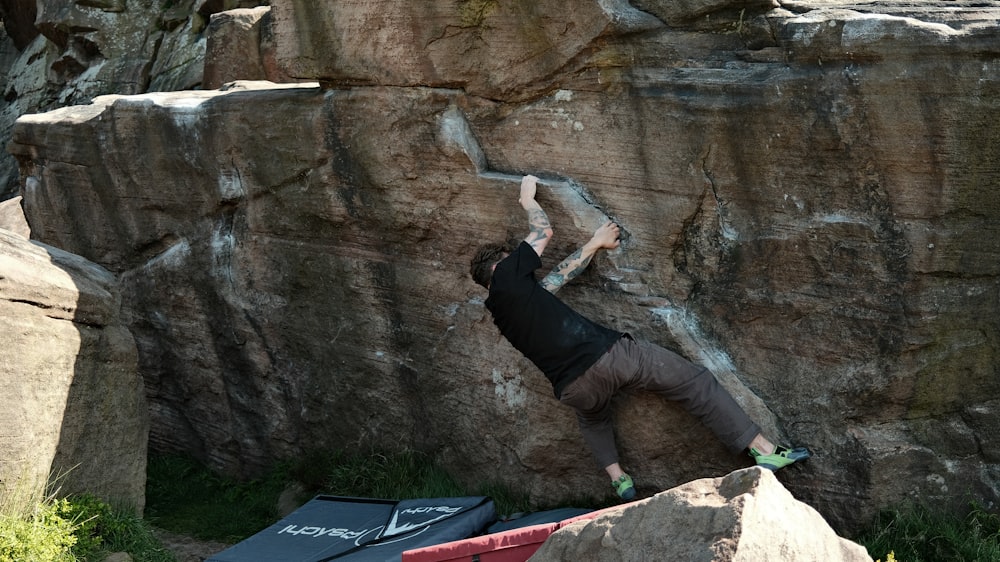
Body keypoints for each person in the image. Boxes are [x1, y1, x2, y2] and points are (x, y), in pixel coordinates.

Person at [469, 175, 810, 500]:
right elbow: (543, 231)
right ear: (500, 267)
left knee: (592, 417)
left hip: (573, 388)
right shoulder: (508, 276)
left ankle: (619, 479)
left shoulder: (502, 312)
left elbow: (554, 282)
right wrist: (527, 199)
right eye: (511, 259)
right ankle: (764, 450)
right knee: (695, 382)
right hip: (609, 358)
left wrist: (593, 244)